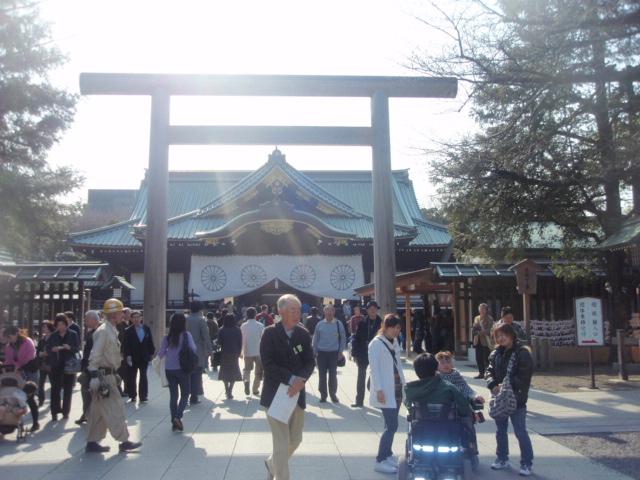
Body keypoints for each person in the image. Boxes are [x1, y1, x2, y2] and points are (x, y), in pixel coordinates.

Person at [260, 294, 315, 480]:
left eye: (299, 310)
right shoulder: (269, 333)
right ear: (281, 311)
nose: (297, 314)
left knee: (295, 440)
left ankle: (271, 464)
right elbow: (268, 364)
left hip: (296, 394)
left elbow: (310, 362)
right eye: (293, 310)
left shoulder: (303, 334)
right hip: (275, 394)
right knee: (281, 443)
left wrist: (300, 381)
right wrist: (291, 379)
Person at [85, 298, 142, 453]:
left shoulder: (109, 329)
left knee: (97, 412)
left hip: (106, 374)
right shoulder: (104, 331)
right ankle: (124, 440)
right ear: (114, 314)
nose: (123, 315)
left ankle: (92, 441)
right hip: (103, 377)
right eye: (120, 312)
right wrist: (94, 375)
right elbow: (95, 354)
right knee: (115, 408)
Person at [486, 323, 534, 476]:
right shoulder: (495, 353)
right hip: (500, 398)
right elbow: (489, 371)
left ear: (511, 335)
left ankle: (526, 462)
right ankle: (502, 458)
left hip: (516, 398)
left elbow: (524, 376)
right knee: (500, 431)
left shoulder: (522, 353)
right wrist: (492, 383)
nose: (501, 338)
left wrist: (507, 384)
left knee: (520, 431)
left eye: (503, 335)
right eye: (498, 336)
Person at [368, 314, 406, 474]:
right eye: (394, 327)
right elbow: (374, 369)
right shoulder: (376, 344)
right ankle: (380, 459)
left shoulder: (394, 342)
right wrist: (379, 390)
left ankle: (388, 454)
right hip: (385, 389)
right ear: (386, 327)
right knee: (391, 425)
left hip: (396, 387)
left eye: (398, 328)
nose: (396, 331)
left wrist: (404, 384)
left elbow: (398, 365)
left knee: (390, 425)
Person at [158, 313, 197, 432]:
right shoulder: (186, 335)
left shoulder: (167, 337)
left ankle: (174, 422)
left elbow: (160, 354)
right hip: (182, 369)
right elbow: (193, 349)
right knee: (185, 394)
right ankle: (178, 417)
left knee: (173, 396)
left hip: (169, 369)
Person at [3, 326, 40, 432]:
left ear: (16, 334)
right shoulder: (9, 346)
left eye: (9, 337)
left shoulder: (28, 342)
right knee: (17, 397)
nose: (8, 340)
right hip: (18, 373)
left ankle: (35, 423)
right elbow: (9, 360)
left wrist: (19, 367)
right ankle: (15, 421)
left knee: (30, 397)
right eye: (7, 338)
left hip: (30, 371)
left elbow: (30, 358)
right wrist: (5, 366)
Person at [46, 313, 79, 421]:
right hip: (56, 364)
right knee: (55, 389)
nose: (61, 327)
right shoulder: (53, 335)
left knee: (68, 390)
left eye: (63, 324)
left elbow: (77, 348)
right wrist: (53, 349)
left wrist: (69, 347)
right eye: (58, 325)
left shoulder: (73, 334)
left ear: (66, 324)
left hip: (69, 364)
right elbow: (48, 349)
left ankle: (65, 412)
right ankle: (54, 412)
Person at [311, 305, 346, 403]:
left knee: (332, 375)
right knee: (322, 375)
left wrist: (340, 351)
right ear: (324, 313)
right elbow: (315, 339)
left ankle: (333, 395)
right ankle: (323, 395)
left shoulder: (338, 324)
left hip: (334, 353)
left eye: (331, 311)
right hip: (321, 353)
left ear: (333, 312)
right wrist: (314, 352)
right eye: (327, 312)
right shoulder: (320, 324)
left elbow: (343, 338)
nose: (329, 313)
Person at [351, 300, 382, 408]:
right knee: (361, 376)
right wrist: (354, 353)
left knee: (375, 376)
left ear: (377, 310)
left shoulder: (382, 323)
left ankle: (377, 398)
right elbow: (356, 338)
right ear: (367, 310)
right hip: (363, 353)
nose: (372, 311)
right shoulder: (362, 322)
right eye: (370, 309)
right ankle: (359, 401)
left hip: (377, 353)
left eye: (374, 309)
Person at [123, 310, 155, 403]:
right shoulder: (128, 331)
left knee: (143, 376)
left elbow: (150, 341)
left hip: (144, 356)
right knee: (132, 377)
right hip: (132, 357)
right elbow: (126, 345)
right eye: (134, 317)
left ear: (141, 318)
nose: (136, 319)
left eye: (138, 317)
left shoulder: (146, 329)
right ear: (131, 319)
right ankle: (132, 395)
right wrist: (127, 356)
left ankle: (143, 396)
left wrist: (151, 353)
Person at [76, 310, 100, 425]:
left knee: (90, 393)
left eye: (87, 319)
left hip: (94, 368)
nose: (85, 322)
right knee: (85, 392)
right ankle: (86, 413)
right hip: (87, 367)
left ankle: (89, 414)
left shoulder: (99, 333)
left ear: (94, 320)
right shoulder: (90, 332)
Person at [186, 301, 212, 404]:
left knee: (187, 372)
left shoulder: (186, 319)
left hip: (186, 348)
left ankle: (185, 394)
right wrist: (210, 350)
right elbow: (206, 336)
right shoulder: (201, 320)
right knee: (197, 373)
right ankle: (194, 396)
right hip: (198, 349)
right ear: (200, 309)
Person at [240, 306, 264, 396]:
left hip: (247, 351)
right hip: (258, 351)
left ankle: (246, 381)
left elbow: (241, 339)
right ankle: (255, 389)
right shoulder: (260, 325)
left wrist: (241, 352)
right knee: (258, 372)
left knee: (247, 370)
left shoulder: (243, 326)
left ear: (247, 314)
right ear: (255, 314)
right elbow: (263, 339)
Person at [472, 303, 494, 378]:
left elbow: (489, 330)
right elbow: (474, 328)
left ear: (486, 310)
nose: (481, 310)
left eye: (483, 309)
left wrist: (480, 332)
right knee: (478, 358)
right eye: (480, 309)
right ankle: (481, 373)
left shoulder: (489, 318)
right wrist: (476, 331)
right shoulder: (476, 318)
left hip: (486, 341)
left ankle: (488, 374)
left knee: (486, 358)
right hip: (477, 340)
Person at [36, 320, 55, 406]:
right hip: (42, 363)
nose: (43, 329)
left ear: (49, 328)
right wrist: (40, 354)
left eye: (45, 327)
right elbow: (38, 350)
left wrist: (47, 353)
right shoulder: (42, 339)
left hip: (51, 363)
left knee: (53, 383)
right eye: (43, 327)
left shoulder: (54, 337)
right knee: (41, 383)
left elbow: (55, 351)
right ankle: (41, 400)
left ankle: (53, 401)